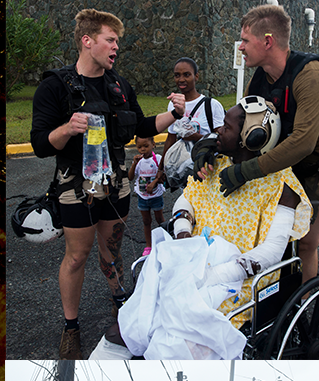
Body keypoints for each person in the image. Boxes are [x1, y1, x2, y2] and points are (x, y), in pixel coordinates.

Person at [89, 97, 312, 360]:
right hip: (190, 263)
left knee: (170, 337)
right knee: (124, 329)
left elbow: (272, 252)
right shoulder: (214, 162)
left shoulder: (281, 184)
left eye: (226, 127)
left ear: (251, 137)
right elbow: (187, 200)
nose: (217, 130)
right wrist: (183, 234)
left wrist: (212, 275)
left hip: (237, 281)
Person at [30, 8, 186, 360]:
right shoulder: (55, 86)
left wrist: (175, 114)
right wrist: (68, 128)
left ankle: (120, 300)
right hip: (75, 184)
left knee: (111, 252)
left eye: (118, 41)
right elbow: (40, 143)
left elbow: (142, 126)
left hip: (117, 182)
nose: (116, 47)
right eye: (110, 40)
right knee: (76, 256)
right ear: (88, 41)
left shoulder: (119, 85)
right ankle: (71, 327)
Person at [201, 5, 319, 283]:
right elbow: (238, 122)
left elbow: (304, 142)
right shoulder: (260, 79)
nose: (240, 47)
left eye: (244, 40)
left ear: (267, 41)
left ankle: (307, 308)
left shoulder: (309, 75)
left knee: (305, 244)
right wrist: (209, 145)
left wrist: (245, 171)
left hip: (314, 166)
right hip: (280, 167)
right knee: (270, 239)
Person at [159, 57, 225, 183]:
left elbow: (222, 140)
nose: (181, 79)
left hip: (208, 170)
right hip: (184, 170)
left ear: (196, 77)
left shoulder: (211, 105)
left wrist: (196, 137)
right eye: (177, 75)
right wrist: (161, 169)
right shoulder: (173, 105)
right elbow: (171, 138)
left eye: (187, 75)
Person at [128, 136, 165, 254]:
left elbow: (163, 176)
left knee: (160, 219)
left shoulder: (157, 159)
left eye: (146, 146)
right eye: (139, 147)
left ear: (153, 144)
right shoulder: (138, 162)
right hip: (142, 196)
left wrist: (154, 183)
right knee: (146, 221)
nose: (142, 149)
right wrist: (134, 164)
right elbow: (130, 177)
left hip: (156, 196)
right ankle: (148, 245)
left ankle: (164, 241)